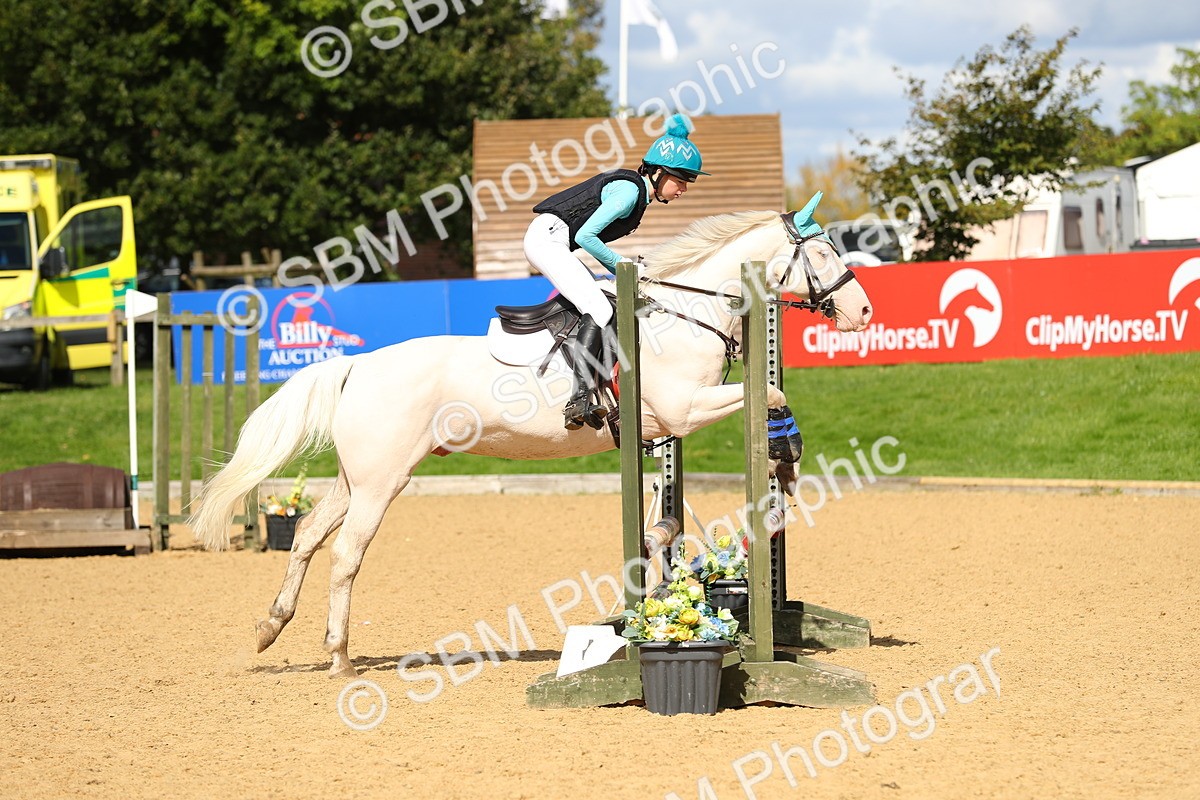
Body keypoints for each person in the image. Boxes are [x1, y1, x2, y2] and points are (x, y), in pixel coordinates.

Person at [524, 113, 710, 430]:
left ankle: (600, 389)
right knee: (597, 305)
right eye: (680, 180)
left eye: (686, 182)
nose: (683, 189)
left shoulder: (637, 193)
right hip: (548, 240)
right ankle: (579, 399)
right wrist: (624, 269)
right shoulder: (629, 192)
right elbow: (585, 236)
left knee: (603, 298)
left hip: (553, 240)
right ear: (659, 173)